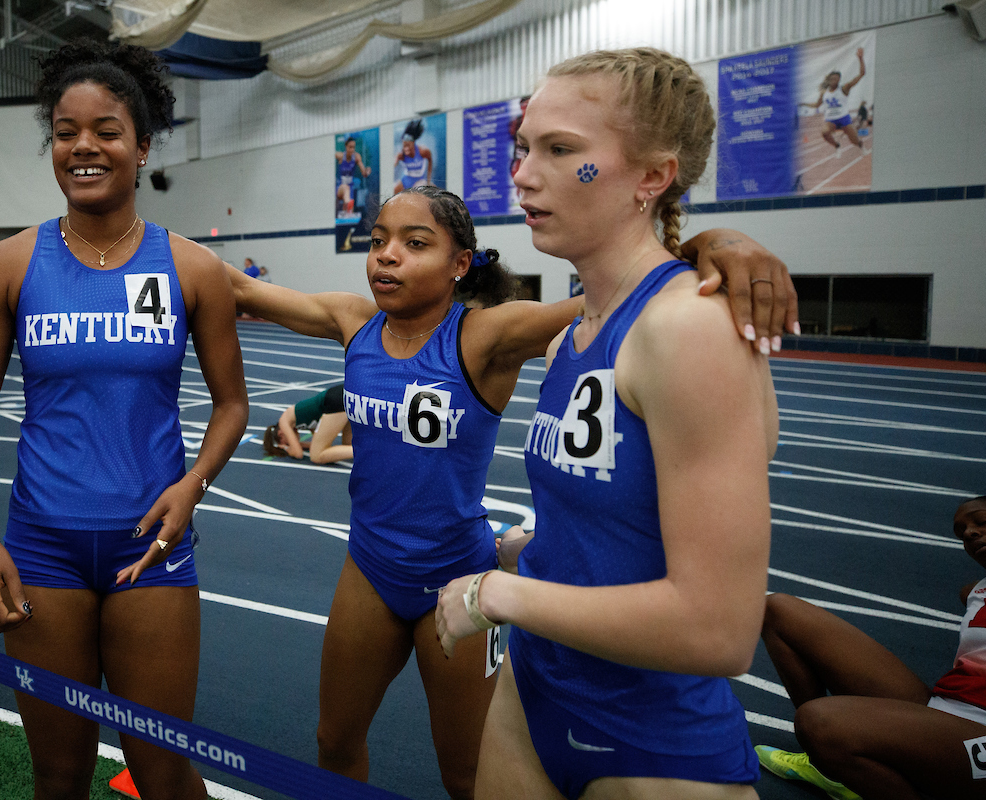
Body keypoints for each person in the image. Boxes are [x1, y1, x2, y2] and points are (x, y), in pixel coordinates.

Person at [226, 174, 793, 796]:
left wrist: (719, 242)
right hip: (370, 568)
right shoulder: (352, 320)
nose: (387, 255)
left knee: (466, 774)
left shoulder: (484, 337)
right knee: (333, 741)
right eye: (379, 240)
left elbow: (627, 292)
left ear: (459, 264)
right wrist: (142, 235)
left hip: (457, 571)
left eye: (415, 243)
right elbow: (238, 287)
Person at [436, 48, 779, 800]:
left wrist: (498, 594)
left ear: (653, 176)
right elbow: (616, 521)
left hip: (654, 739)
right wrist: (527, 549)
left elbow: (719, 630)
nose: (524, 174)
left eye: (561, 150)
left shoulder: (689, 330)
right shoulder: (569, 338)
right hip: (535, 695)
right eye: (524, 147)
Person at [0, 39, 248, 800]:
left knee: (161, 769)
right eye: (65, 131)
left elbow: (232, 404)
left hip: (151, 547)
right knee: (58, 773)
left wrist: (194, 485)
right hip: (41, 550)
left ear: (141, 147)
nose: (83, 146)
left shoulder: (192, 269)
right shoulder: (7, 266)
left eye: (106, 131)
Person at [753, 495, 986, 800]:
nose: (969, 533)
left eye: (981, 522)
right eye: (961, 532)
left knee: (820, 722)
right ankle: (831, 766)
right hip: (945, 711)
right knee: (779, 610)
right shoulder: (975, 592)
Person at [799, 47, 867, 153]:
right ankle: (837, 145)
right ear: (829, 80)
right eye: (831, 78)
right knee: (824, 132)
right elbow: (817, 105)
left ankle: (861, 145)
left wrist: (860, 59)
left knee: (854, 141)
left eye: (835, 78)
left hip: (844, 118)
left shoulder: (844, 88)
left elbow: (861, 74)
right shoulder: (824, 93)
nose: (833, 80)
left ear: (839, 80)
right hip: (831, 120)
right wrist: (804, 104)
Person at [264, 383, 351, 464]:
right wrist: (300, 444)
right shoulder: (301, 420)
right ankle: (360, 450)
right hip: (343, 394)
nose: (291, 443)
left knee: (317, 456)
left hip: (335, 400)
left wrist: (286, 448)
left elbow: (298, 454)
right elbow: (317, 443)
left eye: (287, 443)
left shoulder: (284, 422)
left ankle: (360, 450)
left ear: (280, 434)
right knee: (349, 444)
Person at [393, 119, 434, 195]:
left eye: (408, 146)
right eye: (404, 146)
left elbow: (430, 160)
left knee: (419, 193)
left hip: (419, 180)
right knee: (395, 190)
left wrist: (428, 180)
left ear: (413, 143)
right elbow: (394, 162)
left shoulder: (423, 151)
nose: (406, 148)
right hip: (406, 180)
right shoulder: (401, 155)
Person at [336, 136, 372, 217]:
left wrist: (367, 171)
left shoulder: (356, 157)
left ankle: (346, 212)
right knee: (345, 188)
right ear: (346, 147)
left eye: (353, 147)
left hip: (350, 188)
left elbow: (364, 173)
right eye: (350, 147)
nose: (352, 150)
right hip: (340, 188)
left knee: (348, 214)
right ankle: (346, 204)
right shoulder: (340, 156)